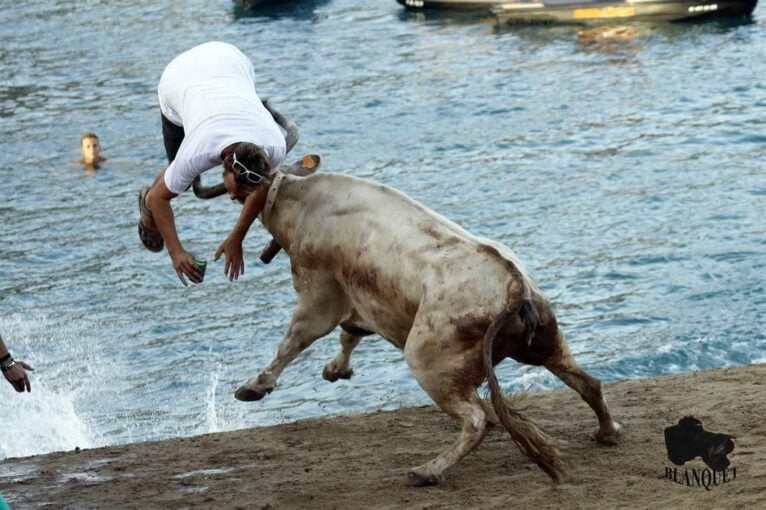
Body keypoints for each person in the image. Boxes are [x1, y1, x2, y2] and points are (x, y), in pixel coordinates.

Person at [138, 41, 286, 286]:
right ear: (224, 165)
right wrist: (177, 252)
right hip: (178, 78)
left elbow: (262, 187)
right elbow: (159, 198)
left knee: (181, 180)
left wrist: (237, 237)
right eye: (234, 191)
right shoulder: (197, 152)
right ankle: (146, 215)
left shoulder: (273, 145)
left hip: (229, 58)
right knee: (179, 184)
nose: (231, 198)